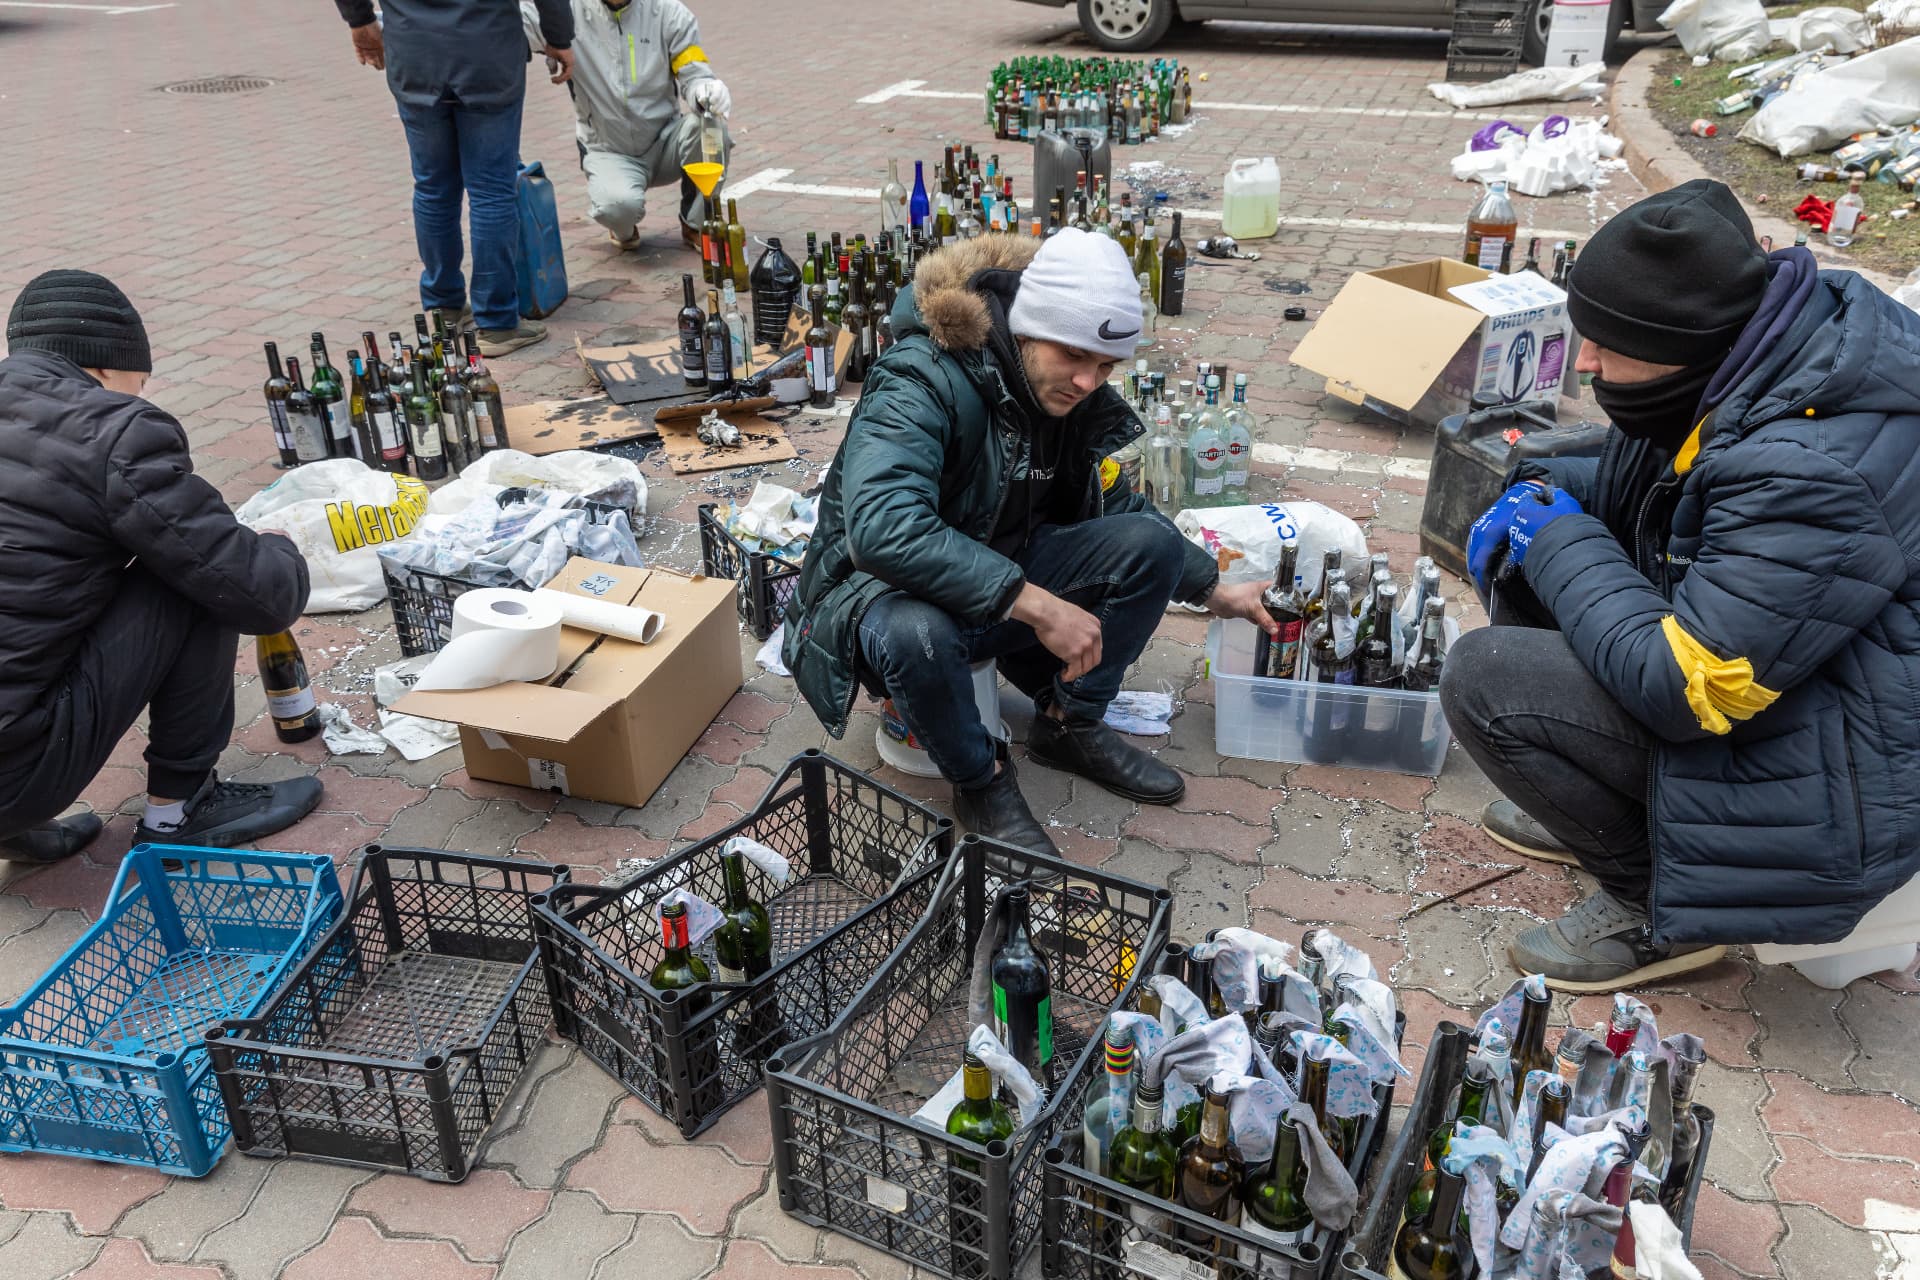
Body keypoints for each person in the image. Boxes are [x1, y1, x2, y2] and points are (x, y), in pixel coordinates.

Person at [1441, 179, 1920, 992]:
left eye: (1604, 345)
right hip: (1813, 675)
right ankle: (1607, 808)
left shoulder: (1812, 468)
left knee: (1487, 678)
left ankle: (1654, 906)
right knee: (1550, 500)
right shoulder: (1763, 348)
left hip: (1849, 779)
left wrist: (1559, 540)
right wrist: (1552, 496)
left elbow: (1689, 687)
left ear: (1685, 347)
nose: (1583, 362)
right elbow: (1678, 479)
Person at [783, 230, 1275, 856]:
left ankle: (1068, 724)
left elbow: (1113, 496)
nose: (1087, 381)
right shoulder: (920, 376)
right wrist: (1040, 606)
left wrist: (1212, 587)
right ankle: (981, 780)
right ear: (1026, 328)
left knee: (1152, 544)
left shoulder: (1062, 393)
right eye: (1074, 356)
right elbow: (882, 529)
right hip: (880, 600)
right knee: (916, 632)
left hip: (991, 583)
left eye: (1105, 366)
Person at [0, 272, 324, 864]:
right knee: (193, 574)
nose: (139, 394)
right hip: (13, 771)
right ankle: (179, 811)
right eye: (137, 380)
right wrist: (276, 546)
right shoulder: (113, 432)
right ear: (102, 368)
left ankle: (12, 828)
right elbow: (258, 595)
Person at [337, 0, 575, 356]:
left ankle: (442, 306)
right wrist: (559, 37)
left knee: (433, 187)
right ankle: (496, 323)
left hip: (416, 53)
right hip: (487, 52)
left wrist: (360, 21)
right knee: (492, 191)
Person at [522, 0, 732, 251]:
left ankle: (697, 223)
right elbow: (519, 22)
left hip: (665, 141)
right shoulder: (566, 11)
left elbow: (693, 70)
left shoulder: (667, 11)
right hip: (608, 149)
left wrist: (704, 90)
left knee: (711, 129)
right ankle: (622, 222)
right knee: (617, 207)